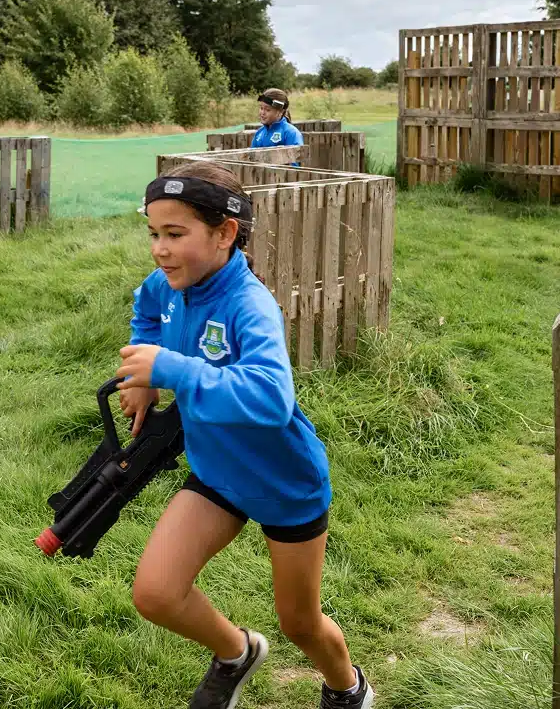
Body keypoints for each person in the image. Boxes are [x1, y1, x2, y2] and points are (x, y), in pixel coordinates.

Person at [116, 160, 374, 709]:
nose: (160, 250)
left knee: (300, 623)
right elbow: (146, 311)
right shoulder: (166, 286)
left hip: (284, 485)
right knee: (157, 593)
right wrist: (141, 380)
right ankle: (236, 653)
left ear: (225, 233)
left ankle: (347, 689)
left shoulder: (247, 304)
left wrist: (173, 370)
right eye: (154, 234)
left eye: (175, 235)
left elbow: (270, 397)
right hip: (217, 475)